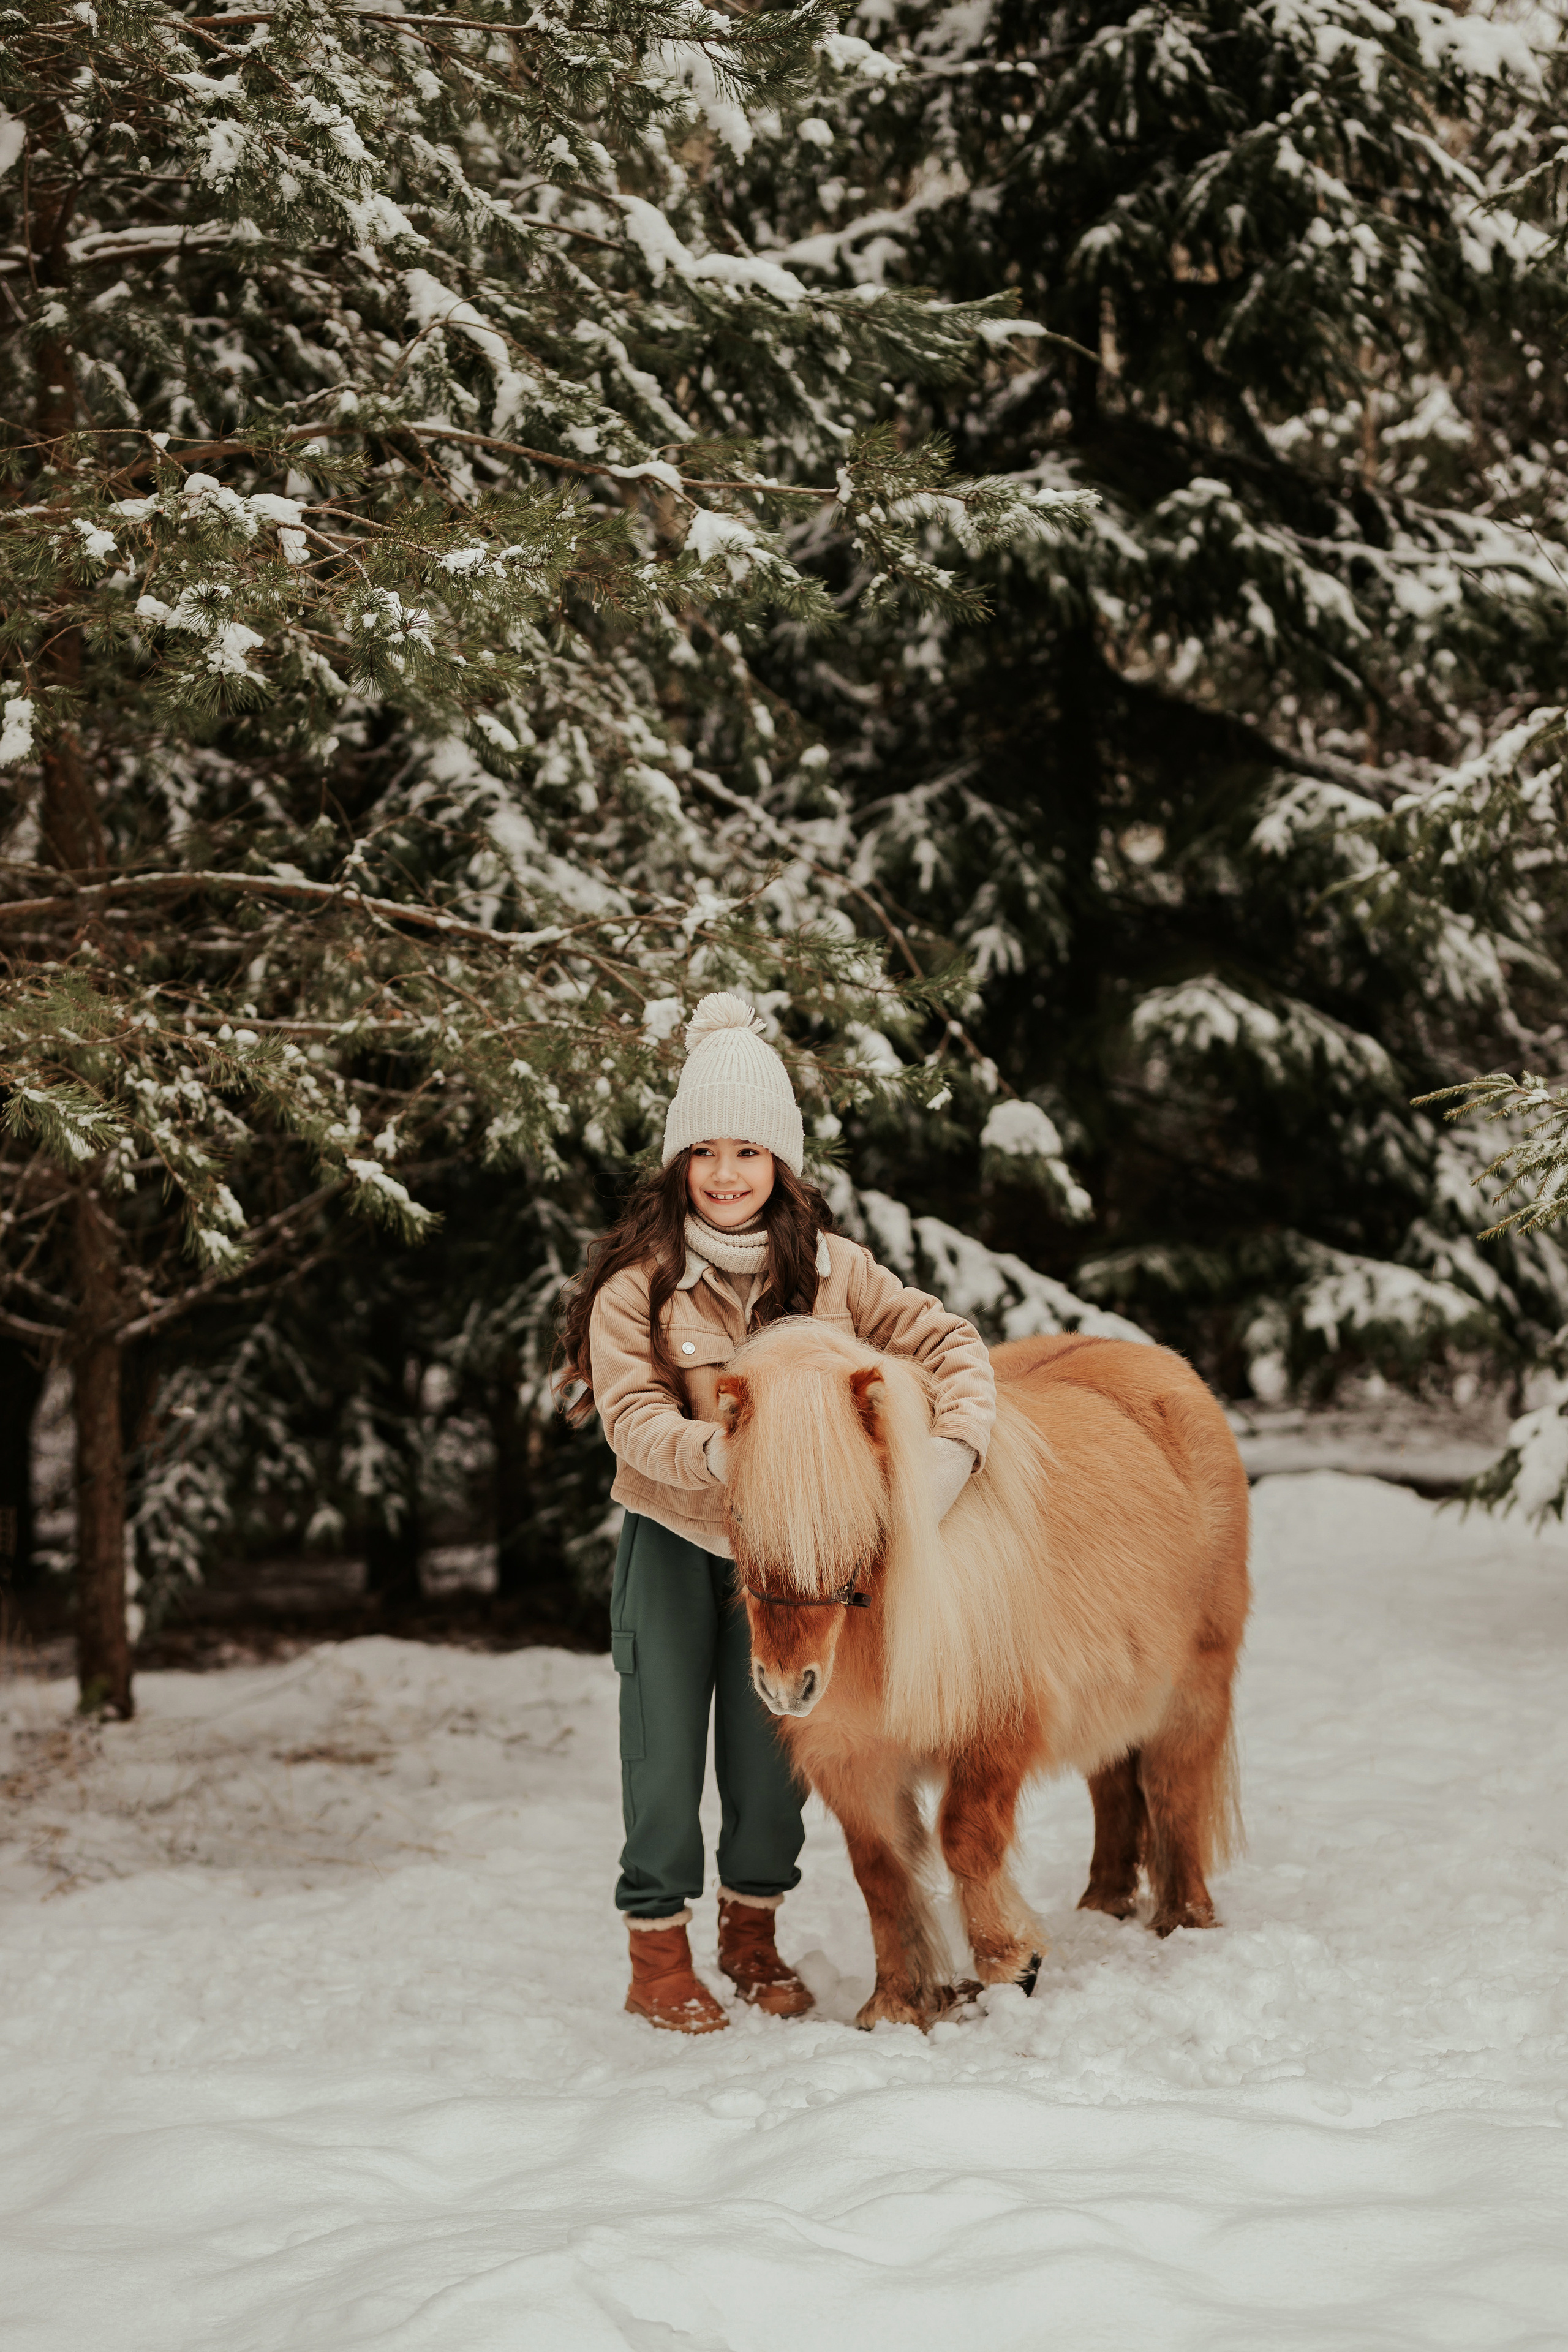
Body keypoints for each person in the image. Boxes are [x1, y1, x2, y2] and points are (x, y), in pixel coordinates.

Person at [556, 994, 997, 2034]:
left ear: (782, 1163)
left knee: (781, 1760)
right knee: (663, 1754)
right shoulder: (640, 1287)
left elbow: (953, 1347)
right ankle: (656, 1951)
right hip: (677, 1543)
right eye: (703, 1150)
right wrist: (736, 1455)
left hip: (801, 1565)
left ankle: (751, 1938)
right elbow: (631, 1418)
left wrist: (951, 1453)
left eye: (747, 1150)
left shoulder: (839, 1274)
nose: (723, 1172)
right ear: (676, 1163)